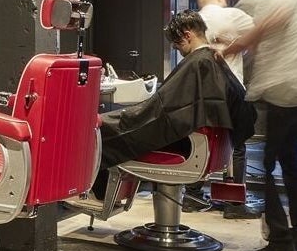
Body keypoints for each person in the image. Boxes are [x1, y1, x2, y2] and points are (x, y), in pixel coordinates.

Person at [92, 10, 254, 197]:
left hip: (185, 147)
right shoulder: (213, 58)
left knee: (101, 135)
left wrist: (110, 119)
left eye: (177, 46)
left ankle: (93, 191)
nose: (178, 51)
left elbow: (158, 110)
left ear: (187, 35)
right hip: (207, 147)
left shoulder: (197, 63)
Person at [220, 0, 297, 251]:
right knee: (288, 169)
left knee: (271, 167)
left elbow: (267, 23)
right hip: (288, 91)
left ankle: (281, 245)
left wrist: (231, 48)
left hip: (286, 90)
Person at [193, 0, 259, 219]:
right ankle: (233, 203)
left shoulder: (195, 20)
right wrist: (234, 46)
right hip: (231, 90)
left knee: (203, 139)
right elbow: (259, 36)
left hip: (201, 91)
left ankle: (192, 195)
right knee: (237, 144)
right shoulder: (234, 16)